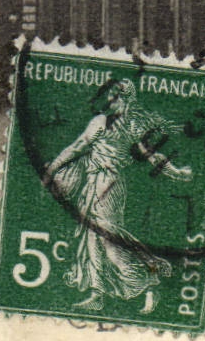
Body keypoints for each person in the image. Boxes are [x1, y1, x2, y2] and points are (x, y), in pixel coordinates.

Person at [41, 78, 194, 313]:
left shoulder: (132, 128)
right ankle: (97, 292)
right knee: (92, 238)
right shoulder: (99, 122)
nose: (109, 99)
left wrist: (177, 173)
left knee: (109, 241)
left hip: (111, 185)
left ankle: (150, 279)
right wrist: (53, 169)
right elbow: (77, 146)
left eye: (114, 95)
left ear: (125, 99)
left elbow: (153, 156)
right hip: (92, 183)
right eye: (109, 95)